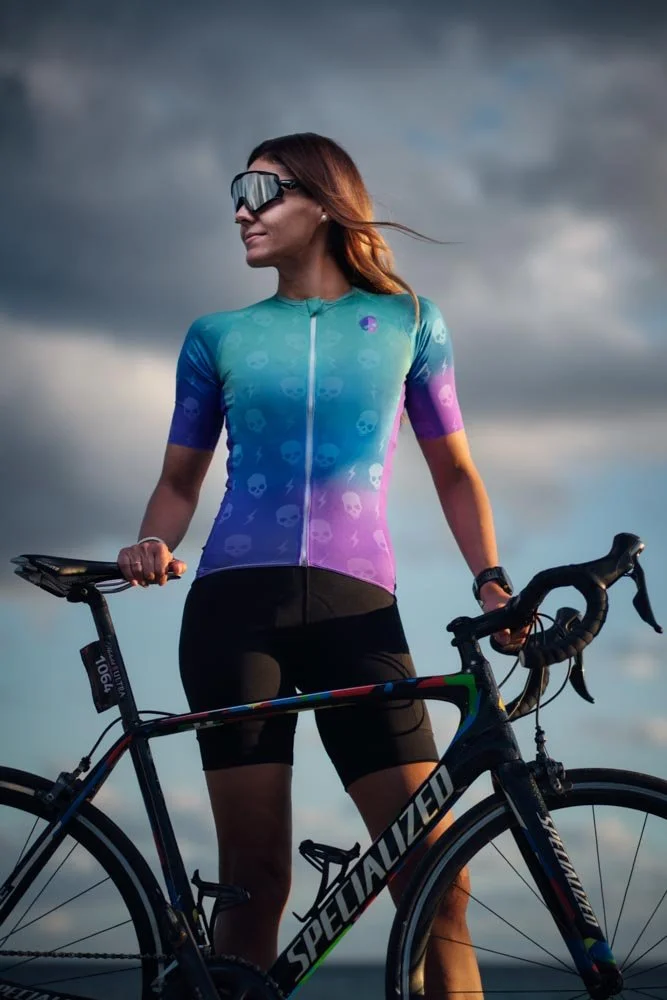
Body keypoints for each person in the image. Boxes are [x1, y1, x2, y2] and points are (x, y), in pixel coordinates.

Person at [118, 132, 525, 999]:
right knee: (255, 879)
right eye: (237, 192)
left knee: (436, 875)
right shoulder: (216, 336)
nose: (241, 209)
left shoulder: (412, 321)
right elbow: (177, 484)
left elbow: (454, 469)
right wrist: (153, 539)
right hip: (236, 616)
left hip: (357, 615)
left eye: (260, 190)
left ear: (324, 201)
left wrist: (489, 576)